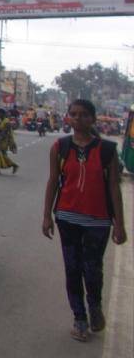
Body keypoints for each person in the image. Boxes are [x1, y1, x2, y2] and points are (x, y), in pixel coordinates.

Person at [41, 99, 127, 342]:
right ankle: (79, 318)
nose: (78, 119)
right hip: (67, 218)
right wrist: (47, 215)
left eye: (84, 115)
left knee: (92, 269)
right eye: (74, 114)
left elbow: (114, 189)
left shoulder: (108, 150)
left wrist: (119, 224)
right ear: (68, 117)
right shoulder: (60, 146)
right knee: (72, 269)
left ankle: (95, 306)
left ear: (93, 119)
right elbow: (53, 181)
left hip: (98, 222)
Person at [0, 108, 19, 174]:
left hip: (3, 141)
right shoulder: (2, 121)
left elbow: (5, 132)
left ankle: (14, 165)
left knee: (1, 155)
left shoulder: (6, 122)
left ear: (2, 114)